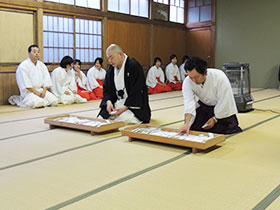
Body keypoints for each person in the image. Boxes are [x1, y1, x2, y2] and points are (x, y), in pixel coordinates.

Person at [179, 57, 242, 135]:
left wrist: (215, 119)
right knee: (194, 127)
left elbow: (225, 100)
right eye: (191, 77)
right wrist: (187, 123)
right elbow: (189, 102)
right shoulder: (188, 82)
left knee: (224, 128)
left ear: (205, 72)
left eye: (196, 77)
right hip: (204, 106)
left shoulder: (219, 77)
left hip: (221, 107)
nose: (194, 81)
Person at [98, 44, 151, 124]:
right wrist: (109, 102)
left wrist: (124, 108)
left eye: (111, 57)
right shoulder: (111, 69)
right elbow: (107, 89)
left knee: (123, 119)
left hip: (131, 105)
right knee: (101, 118)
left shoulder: (133, 66)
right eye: (108, 58)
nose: (110, 61)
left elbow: (137, 91)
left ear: (120, 55)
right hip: (117, 103)